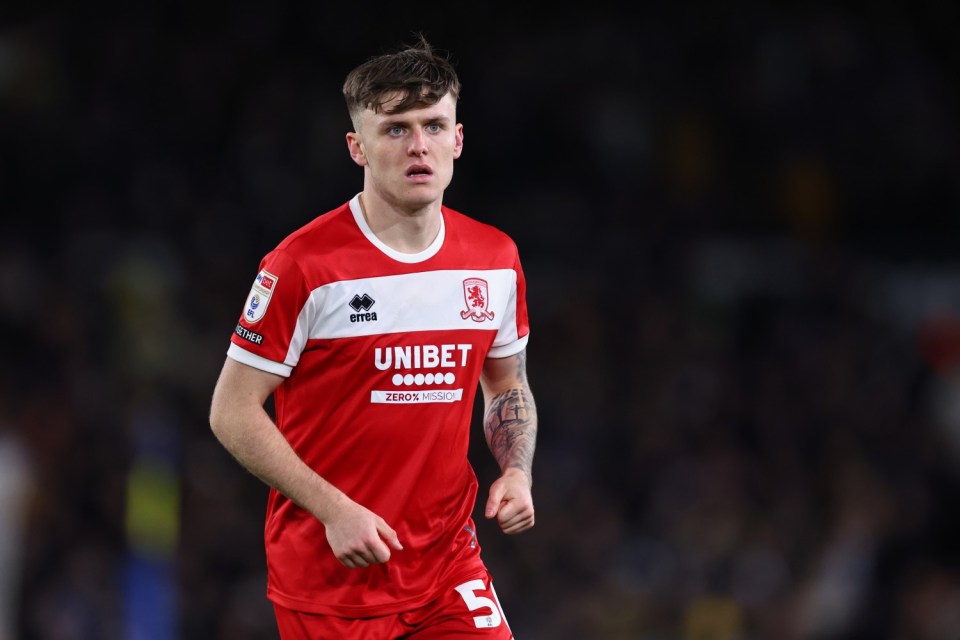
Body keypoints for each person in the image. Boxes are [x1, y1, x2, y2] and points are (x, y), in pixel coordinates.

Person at [209, 34, 538, 639]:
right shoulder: (302, 266)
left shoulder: (494, 259)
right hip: (331, 579)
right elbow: (231, 412)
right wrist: (335, 511)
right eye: (396, 129)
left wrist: (516, 470)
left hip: (447, 567)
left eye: (435, 126)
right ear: (357, 147)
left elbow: (505, 382)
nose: (419, 146)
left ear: (459, 140)